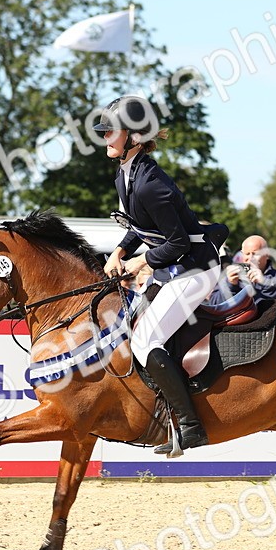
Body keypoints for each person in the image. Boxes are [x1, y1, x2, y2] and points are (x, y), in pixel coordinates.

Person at [99, 95, 227, 454]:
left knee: (144, 342)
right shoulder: (127, 175)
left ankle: (190, 427)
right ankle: (168, 423)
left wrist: (140, 263)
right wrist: (120, 250)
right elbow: (139, 226)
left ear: (134, 137)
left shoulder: (151, 183)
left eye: (112, 131)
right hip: (174, 267)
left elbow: (177, 243)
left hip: (195, 268)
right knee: (133, 327)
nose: (106, 137)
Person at [216, 234, 276, 310]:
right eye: (247, 254)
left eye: (255, 254)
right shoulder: (230, 277)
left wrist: (265, 282)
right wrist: (230, 286)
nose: (251, 258)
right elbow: (214, 305)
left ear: (267, 255)